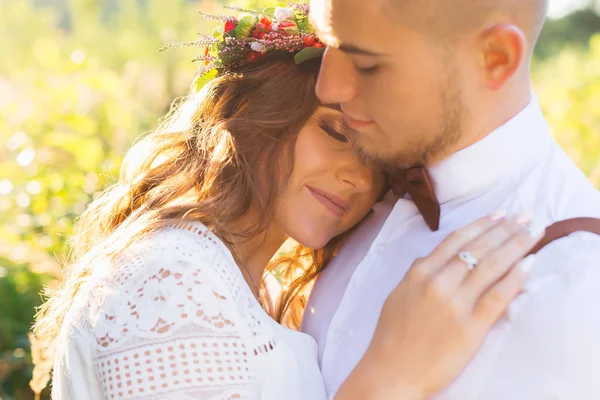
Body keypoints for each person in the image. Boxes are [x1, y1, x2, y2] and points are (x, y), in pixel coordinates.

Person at [33, 4, 540, 400]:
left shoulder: (258, 289)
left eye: (380, 168)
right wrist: (389, 375)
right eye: (335, 132)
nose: (358, 179)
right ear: (260, 113)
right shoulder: (173, 279)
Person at [303, 0, 600, 398]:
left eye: (368, 64)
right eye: (326, 44)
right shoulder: (352, 189)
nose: (328, 88)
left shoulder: (576, 288)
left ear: (495, 58)